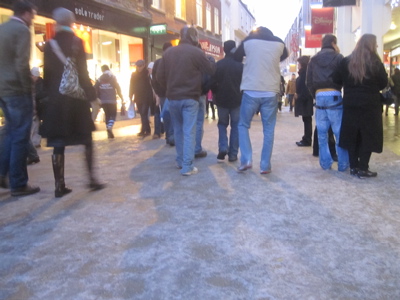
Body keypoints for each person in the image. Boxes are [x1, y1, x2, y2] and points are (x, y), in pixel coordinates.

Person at [41, 7, 105, 197]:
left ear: (56, 23)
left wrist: (48, 97)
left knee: (58, 142)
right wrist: (92, 96)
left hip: (56, 101)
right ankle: (92, 179)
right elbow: (83, 75)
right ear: (71, 22)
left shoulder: (49, 44)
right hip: (76, 100)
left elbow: (47, 76)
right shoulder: (77, 42)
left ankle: (59, 185)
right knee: (86, 139)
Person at [156, 26, 215, 176]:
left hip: (173, 98)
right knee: (189, 131)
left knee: (178, 130)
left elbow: (159, 76)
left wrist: (170, 87)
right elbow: (210, 71)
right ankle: (187, 166)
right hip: (190, 97)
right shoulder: (197, 53)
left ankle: (180, 160)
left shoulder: (168, 53)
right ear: (194, 37)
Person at [234, 26, 288, 174]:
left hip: (251, 90)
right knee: (269, 130)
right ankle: (265, 165)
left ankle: (246, 159)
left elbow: (236, 56)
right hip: (271, 91)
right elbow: (284, 56)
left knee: (243, 125)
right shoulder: (279, 43)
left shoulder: (249, 41)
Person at [0, 0, 40, 196]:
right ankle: (18, 183)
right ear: (25, 13)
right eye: (32, 15)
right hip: (17, 91)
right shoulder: (22, 30)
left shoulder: (2, 28)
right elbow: (21, 63)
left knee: (9, 133)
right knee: (21, 137)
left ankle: (2, 174)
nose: (33, 19)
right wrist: (28, 91)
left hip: (3, 91)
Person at [336, 34, 388, 178]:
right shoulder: (375, 62)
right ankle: (363, 167)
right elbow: (383, 83)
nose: (377, 46)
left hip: (350, 103)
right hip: (370, 104)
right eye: (376, 44)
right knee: (368, 135)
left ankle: (353, 166)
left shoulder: (346, 61)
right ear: (371, 45)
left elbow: (338, 79)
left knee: (352, 134)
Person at [306, 34, 348, 172]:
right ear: (333, 43)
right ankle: (342, 164)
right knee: (339, 131)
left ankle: (325, 163)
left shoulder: (313, 59)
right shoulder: (338, 57)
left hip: (319, 96)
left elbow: (309, 81)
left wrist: (316, 94)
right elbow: (344, 77)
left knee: (322, 132)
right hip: (334, 94)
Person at [210, 40, 243, 163]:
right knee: (236, 126)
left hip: (222, 100)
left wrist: (215, 93)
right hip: (237, 101)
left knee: (222, 124)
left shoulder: (219, 65)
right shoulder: (240, 66)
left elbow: (213, 82)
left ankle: (223, 147)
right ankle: (233, 154)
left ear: (224, 50)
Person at [152, 42, 174, 146]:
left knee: (166, 114)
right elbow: (155, 80)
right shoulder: (173, 62)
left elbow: (154, 80)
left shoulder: (158, 62)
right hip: (170, 93)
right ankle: (170, 136)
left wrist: (158, 92)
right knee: (171, 114)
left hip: (164, 93)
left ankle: (169, 136)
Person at [94, 65, 124, 139]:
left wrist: (97, 98)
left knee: (107, 115)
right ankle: (110, 127)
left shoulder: (99, 79)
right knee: (113, 115)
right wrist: (121, 97)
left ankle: (108, 130)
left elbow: (95, 88)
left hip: (103, 101)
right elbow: (118, 87)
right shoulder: (112, 77)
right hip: (112, 100)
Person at [129, 59, 153, 138]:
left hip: (146, 97)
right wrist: (130, 95)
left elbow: (151, 85)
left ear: (143, 65)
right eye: (137, 66)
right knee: (142, 114)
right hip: (138, 97)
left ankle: (144, 130)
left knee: (144, 113)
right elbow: (132, 85)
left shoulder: (147, 74)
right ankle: (147, 129)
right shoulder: (134, 75)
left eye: (140, 66)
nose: (139, 68)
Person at [294, 56, 313, 147]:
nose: (298, 66)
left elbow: (306, 89)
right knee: (306, 120)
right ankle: (306, 138)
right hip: (305, 100)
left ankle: (307, 139)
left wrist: (299, 96)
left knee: (307, 120)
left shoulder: (305, 74)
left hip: (306, 101)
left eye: (299, 64)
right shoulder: (304, 73)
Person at [147, 61, 162, 139]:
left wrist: (158, 97)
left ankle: (158, 132)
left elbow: (157, 88)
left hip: (160, 97)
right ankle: (159, 131)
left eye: (150, 68)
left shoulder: (156, 77)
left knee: (158, 114)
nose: (149, 70)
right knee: (158, 114)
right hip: (156, 97)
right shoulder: (150, 77)